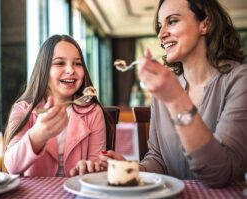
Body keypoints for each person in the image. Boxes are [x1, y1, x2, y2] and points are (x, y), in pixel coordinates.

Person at [70, 0, 247, 188]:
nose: (161, 34)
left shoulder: (239, 80)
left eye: (172, 21)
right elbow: (158, 159)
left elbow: (219, 173)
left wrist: (175, 99)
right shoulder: (162, 92)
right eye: (159, 26)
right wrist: (131, 169)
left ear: (205, 24)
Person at [3, 34, 114, 177]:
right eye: (60, 63)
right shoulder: (23, 110)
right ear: (44, 70)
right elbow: (12, 166)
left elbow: (98, 170)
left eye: (78, 63)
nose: (71, 70)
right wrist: (38, 134)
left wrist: (92, 167)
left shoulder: (92, 111)